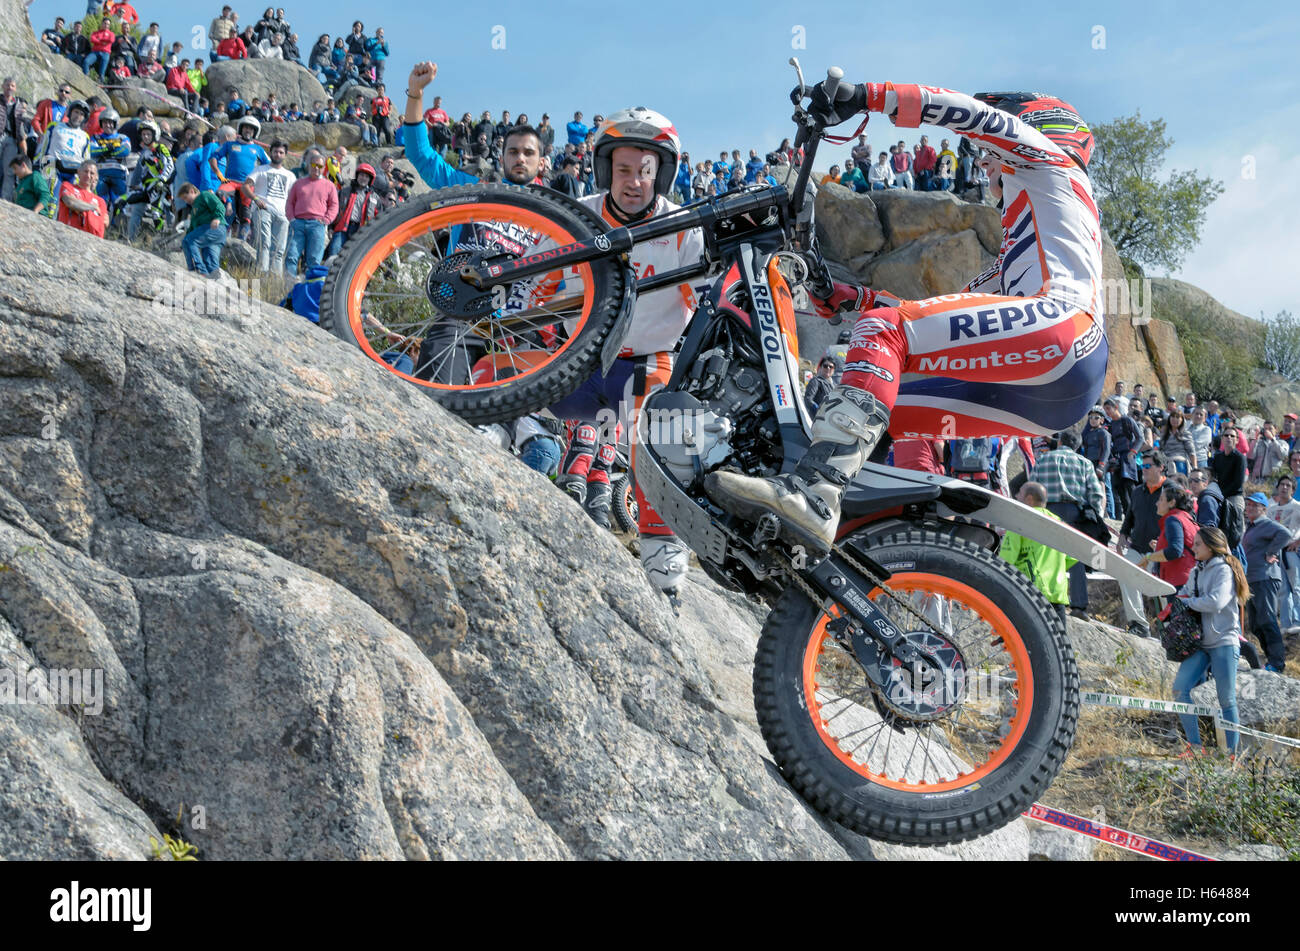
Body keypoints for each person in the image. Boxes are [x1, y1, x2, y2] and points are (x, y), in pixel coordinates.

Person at [707, 85, 1105, 556]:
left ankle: (815, 494)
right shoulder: (1032, 231)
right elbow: (938, 312)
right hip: (1056, 389)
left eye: (987, 154)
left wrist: (867, 96)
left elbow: (974, 116)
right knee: (885, 406)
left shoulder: (1048, 164)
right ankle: (871, 545)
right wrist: (856, 296)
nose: (983, 162)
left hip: (1064, 330)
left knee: (883, 332)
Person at [1171, 527, 1245, 759]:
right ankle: (1195, 746)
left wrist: (1189, 602)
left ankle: (1233, 756)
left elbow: (1217, 602)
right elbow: (1183, 595)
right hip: (1199, 643)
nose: (1194, 547)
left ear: (1212, 546)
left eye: (1199, 544)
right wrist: (1178, 599)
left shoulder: (1224, 570)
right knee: (1179, 689)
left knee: (1227, 700)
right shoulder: (1196, 570)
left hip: (1224, 641)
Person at [1030, 430, 1106, 619]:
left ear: (1060, 441)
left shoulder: (1043, 460)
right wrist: (1093, 513)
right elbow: (1096, 494)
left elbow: (1031, 487)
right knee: (1076, 558)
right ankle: (1079, 606)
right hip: (1075, 512)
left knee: (1046, 556)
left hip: (1047, 511)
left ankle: (1045, 600)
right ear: (1078, 445)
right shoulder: (1084, 463)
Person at [1001, 481, 1075, 628]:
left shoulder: (1020, 521)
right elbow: (1072, 556)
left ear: (1029, 499)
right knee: (1060, 647)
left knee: (1028, 646)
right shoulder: (1060, 523)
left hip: (1031, 593)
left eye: (1019, 493)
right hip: (1057, 593)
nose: (1016, 496)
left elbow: (1006, 559)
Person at [1117, 451, 1168, 638]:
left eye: (1148, 466)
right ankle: (1139, 624)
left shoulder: (1171, 490)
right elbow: (1130, 516)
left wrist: (1165, 541)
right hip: (1137, 549)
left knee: (1163, 590)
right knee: (1125, 574)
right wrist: (1123, 534)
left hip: (1161, 552)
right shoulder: (1138, 491)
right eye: (1142, 466)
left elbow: (1181, 520)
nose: (1143, 469)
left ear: (1160, 467)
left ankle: (1169, 628)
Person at [1242, 491, 1291, 672]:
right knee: (1255, 624)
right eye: (1248, 505)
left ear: (1264, 508)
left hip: (1265, 577)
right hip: (1253, 579)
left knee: (1267, 620)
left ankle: (1277, 663)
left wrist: (1271, 552)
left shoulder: (1265, 523)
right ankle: (1271, 660)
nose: (1250, 508)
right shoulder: (1252, 526)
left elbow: (1285, 534)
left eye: (1255, 505)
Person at [243, 139, 295, 273]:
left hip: (282, 213)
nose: (278, 154)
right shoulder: (260, 169)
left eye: (281, 152)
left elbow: (293, 196)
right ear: (270, 152)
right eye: (275, 151)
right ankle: (262, 274)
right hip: (263, 209)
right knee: (264, 244)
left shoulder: (290, 175)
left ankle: (275, 280)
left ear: (285, 155)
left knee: (279, 249)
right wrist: (255, 198)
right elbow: (246, 186)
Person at [1138, 483, 1199, 596]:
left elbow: (1175, 551)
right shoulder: (1186, 518)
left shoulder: (1173, 520)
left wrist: (1148, 557)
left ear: (1172, 503)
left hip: (1179, 584)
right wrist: (1159, 547)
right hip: (1189, 580)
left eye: (1161, 500)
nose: (1157, 503)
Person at [283, 152, 338, 275]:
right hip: (297, 224)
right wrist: (292, 219)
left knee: (314, 260)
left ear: (324, 168)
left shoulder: (329, 186)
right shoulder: (298, 183)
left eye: (320, 166)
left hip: (317, 224)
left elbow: (334, 205)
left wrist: (326, 220)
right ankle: (288, 287)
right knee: (291, 256)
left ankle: (309, 287)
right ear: (308, 165)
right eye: (313, 164)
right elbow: (290, 203)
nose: (316, 168)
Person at [326, 162, 383, 258]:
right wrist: (331, 228)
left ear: (370, 179)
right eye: (361, 175)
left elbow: (379, 218)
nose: (363, 178)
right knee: (334, 252)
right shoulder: (345, 191)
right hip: (342, 228)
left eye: (366, 176)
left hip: (361, 232)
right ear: (357, 176)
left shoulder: (375, 198)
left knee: (353, 258)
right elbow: (335, 210)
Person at [1267, 473, 1300, 636]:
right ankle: (1286, 623)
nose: (1284, 487)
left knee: (1296, 587)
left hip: (1291, 551)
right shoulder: (1271, 509)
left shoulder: (1297, 506)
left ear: (1293, 490)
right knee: (1282, 590)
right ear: (1278, 487)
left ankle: (1297, 621)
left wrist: (1297, 542)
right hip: (1276, 554)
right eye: (1282, 484)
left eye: (1288, 485)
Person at [177, 182, 228, 274]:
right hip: (209, 235)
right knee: (210, 262)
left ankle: (197, 271)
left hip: (216, 229)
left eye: (185, 197)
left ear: (192, 191)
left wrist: (217, 218)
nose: (185, 201)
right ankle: (212, 280)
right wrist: (182, 246)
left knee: (190, 241)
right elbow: (192, 228)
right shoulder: (193, 210)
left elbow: (219, 206)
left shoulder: (204, 195)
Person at [56, 160, 107, 237]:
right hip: (67, 235)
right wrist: (93, 207)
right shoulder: (68, 186)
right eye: (85, 171)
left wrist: (80, 207)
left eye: (92, 173)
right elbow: (70, 202)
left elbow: (104, 222)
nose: (88, 175)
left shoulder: (100, 201)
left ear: (96, 177)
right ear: (78, 172)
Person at [1160, 410, 1195, 475]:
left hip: (1180, 464)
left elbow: (1191, 452)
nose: (1175, 419)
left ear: (1182, 420)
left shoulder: (1186, 433)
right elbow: (1161, 450)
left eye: (1178, 417)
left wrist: (1195, 467)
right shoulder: (1164, 434)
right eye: (1172, 417)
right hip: (1165, 465)